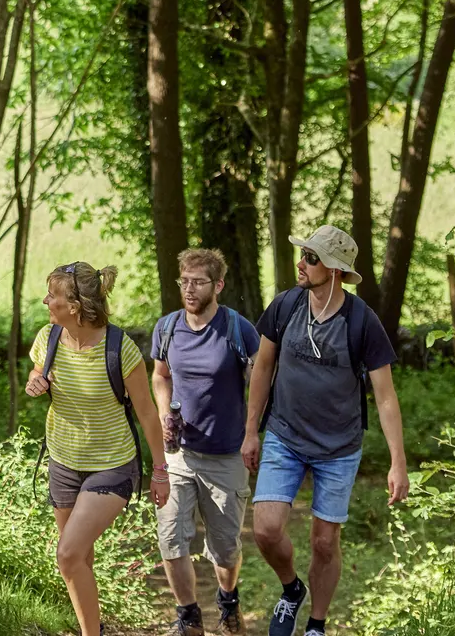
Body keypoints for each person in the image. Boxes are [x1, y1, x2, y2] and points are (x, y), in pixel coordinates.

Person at [240, 225, 408, 636]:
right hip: (285, 436)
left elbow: (385, 397)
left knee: (324, 542)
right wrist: (251, 430)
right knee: (265, 529)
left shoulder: (362, 321)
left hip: (339, 448)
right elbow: (263, 367)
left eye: (311, 258)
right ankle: (291, 589)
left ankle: (316, 624)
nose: (301, 263)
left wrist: (398, 462)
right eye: (303, 254)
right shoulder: (286, 306)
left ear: (333, 270)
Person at [25, 261, 169, 636]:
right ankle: (94, 628)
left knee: (67, 554)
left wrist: (160, 471)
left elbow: (147, 414)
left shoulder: (120, 349)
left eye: (52, 296)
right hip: (63, 462)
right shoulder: (48, 337)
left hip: (112, 465)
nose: (45, 301)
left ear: (74, 306)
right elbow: (38, 370)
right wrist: (37, 380)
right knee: (79, 559)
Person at [151, 247, 261, 636]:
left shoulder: (237, 329)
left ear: (218, 285)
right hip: (178, 454)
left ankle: (228, 602)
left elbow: (261, 381)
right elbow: (160, 375)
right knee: (171, 538)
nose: (189, 289)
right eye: (184, 281)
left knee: (225, 548)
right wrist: (164, 415)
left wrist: (252, 431)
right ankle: (189, 618)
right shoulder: (167, 328)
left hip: (226, 455)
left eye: (198, 282)